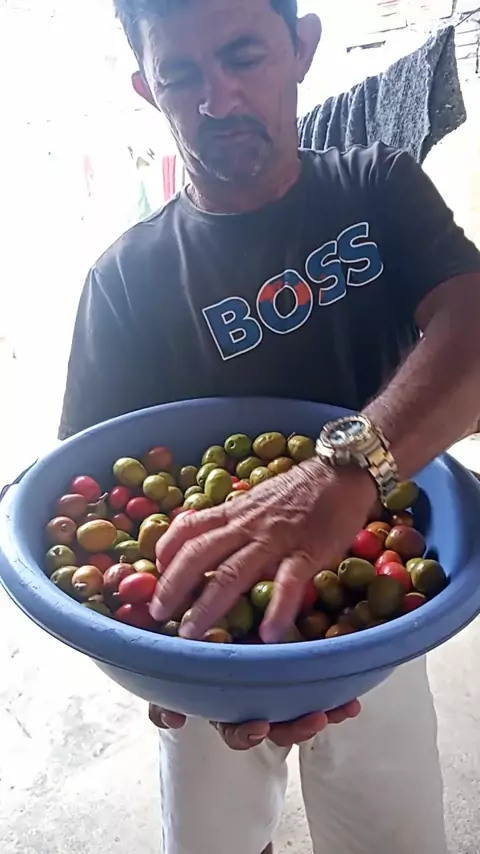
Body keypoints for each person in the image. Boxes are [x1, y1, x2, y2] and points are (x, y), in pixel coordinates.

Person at [59, 2, 480, 852]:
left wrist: (341, 476)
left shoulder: (378, 187)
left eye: (244, 55)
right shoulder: (125, 282)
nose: (216, 99)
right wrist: (146, 656)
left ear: (301, 49)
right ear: (147, 89)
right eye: (181, 74)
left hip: (373, 641)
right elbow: (83, 500)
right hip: (200, 637)